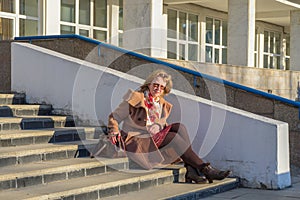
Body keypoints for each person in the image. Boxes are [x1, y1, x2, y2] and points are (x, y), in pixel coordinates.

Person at [107, 69, 231, 184]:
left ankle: (191, 170)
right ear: (149, 84)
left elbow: (162, 122)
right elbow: (114, 117)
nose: (158, 88)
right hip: (138, 140)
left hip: (153, 138)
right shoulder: (136, 97)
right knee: (173, 137)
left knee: (179, 127)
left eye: (162, 87)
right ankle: (205, 169)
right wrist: (114, 131)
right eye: (155, 84)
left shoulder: (162, 104)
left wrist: (158, 124)